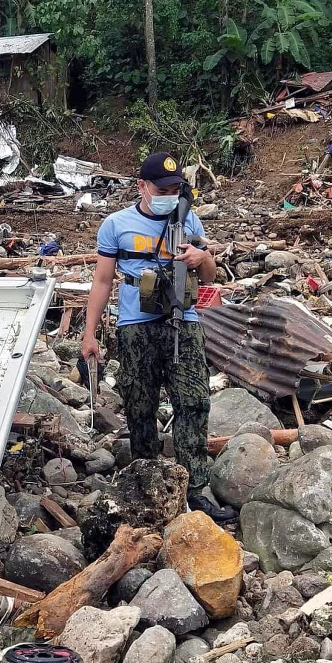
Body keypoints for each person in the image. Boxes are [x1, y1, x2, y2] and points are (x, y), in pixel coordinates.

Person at [81, 152, 235, 522]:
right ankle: (148, 483)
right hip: (135, 325)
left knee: (194, 402)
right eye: (161, 189)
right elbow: (102, 282)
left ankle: (194, 489)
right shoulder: (116, 225)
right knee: (139, 405)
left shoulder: (188, 219)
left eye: (175, 189)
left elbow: (211, 275)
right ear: (142, 187)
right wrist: (89, 334)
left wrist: (202, 257)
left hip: (184, 321)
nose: (169, 194)